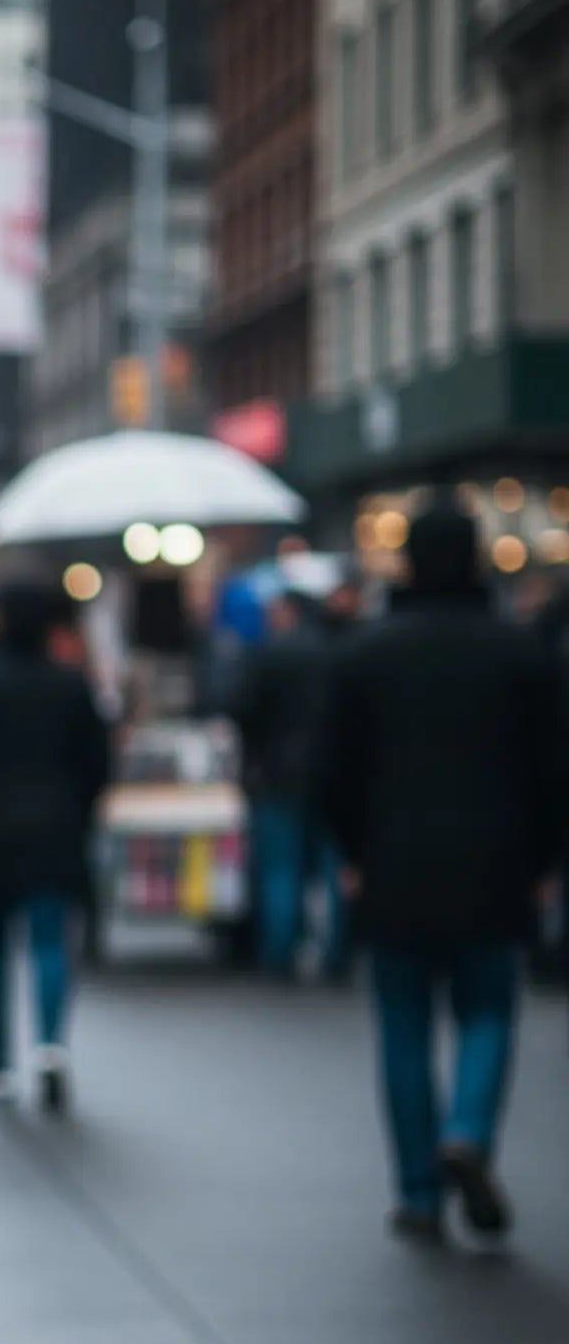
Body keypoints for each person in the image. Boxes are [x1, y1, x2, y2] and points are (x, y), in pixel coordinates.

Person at [315, 501, 563, 1244]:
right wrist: (546, 860)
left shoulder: (365, 652)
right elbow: (554, 770)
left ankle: (418, 1191)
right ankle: (468, 1131)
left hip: (391, 865)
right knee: (488, 1011)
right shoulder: (520, 652)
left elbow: (332, 772)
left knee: (403, 1026)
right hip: (497, 864)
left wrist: (351, 854)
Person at [0, 578, 111, 1112]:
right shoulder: (70, 685)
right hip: (55, 831)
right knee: (50, 940)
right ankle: (50, 1045)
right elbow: (96, 764)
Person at [234, 587, 348, 980]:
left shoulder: (269, 654)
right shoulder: (338, 652)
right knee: (333, 870)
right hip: (332, 774)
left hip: (277, 774)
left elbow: (245, 711)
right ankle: (336, 953)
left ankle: (280, 954)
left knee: (280, 870)